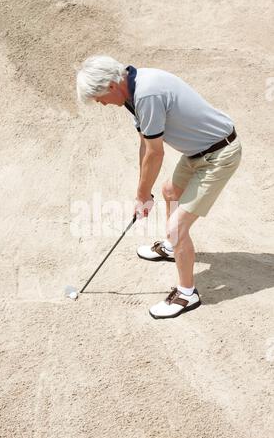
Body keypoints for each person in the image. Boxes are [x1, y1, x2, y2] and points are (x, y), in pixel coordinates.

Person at [76, 55, 242, 319]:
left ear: (110, 86)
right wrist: (144, 193)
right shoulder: (133, 92)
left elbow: (156, 153)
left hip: (219, 155)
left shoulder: (147, 94)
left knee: (177, 227)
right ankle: (170, 246)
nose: (100, 103)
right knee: (169, 192)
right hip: (197, 153)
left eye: (99, 98)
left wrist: (142, 195)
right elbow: (145, 144)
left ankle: (187, 294)